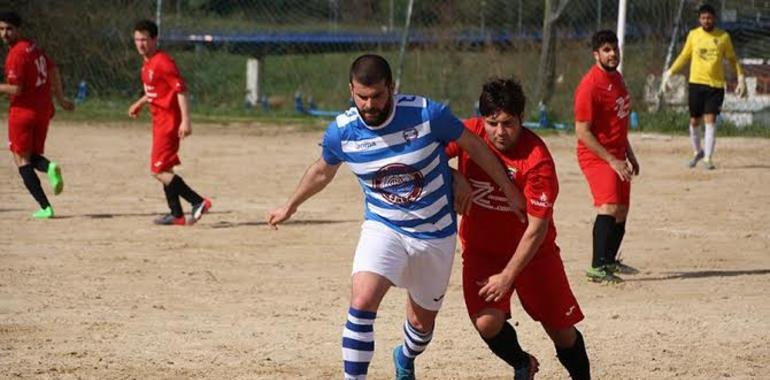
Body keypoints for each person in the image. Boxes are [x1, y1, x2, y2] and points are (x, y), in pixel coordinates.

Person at [266, 54, 525, 380]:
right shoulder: (342, 132)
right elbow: (322, 171)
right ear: (351, 90)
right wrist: (290, 206)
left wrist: (507, 187)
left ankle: (405, 356)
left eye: (377, 96)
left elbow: (473, 144)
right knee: (362, 301)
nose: (369, 105)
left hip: (434, 234)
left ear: (392, 87)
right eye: (362, 97)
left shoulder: (428, 114)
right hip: (384, 227)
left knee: (421, 325)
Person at [447, 78, 590, 380]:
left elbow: (537, 229)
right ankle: (522, 363)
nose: (500, 132)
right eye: (493, 122)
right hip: (482, 252)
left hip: (535, 255)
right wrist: (453, 176)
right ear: (482, 118)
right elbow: (422, 154)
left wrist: (508, 275)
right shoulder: (467, 132)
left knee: (562, 333)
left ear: (522, 119)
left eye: (509, 123)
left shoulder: (536, 160)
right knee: (486, 323)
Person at [128, 20, 211, 226]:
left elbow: (181, 90)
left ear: (155, 40)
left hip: (169, 123)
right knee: (166, 169)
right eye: (137, 39)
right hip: (159, 122)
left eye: (145, 39)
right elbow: (154, 92)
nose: (140, 44)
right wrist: (140, 103)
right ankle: (177, 214)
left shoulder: (163, 62)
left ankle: (198, 201)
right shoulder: (147, 65)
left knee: (158, 170)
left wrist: (186, 121)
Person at [574, 30, 640, 283]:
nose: (612, 54)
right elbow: (582, 131)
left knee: (622, 210)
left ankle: (610, 261)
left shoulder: (617, 78)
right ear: (596, 54)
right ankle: (597, 267)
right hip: (596, 156)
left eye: (615, 49)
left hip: (617, 153)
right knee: (609, 206)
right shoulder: (590, 85)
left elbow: (617, 124)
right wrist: (611, 160)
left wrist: (628, 153)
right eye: (606, 50)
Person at [1, 11, 74, 219]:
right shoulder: (33, 47)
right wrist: (60, 99)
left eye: (9, 29)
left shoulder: (15, 54)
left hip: (23, 112)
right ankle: (48, 167)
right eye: (1, 29)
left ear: (18, 29)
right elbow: (53, 70)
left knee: (21, 158)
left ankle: (45, 206)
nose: (5, 33)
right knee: (30, 155)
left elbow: (16, 90)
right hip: (43, 110)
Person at [660, 3, 746, 170]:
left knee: (711, 119)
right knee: (694, 121)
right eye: (703, 18)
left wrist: (741, 77)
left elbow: (733, 59)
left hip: (715, 85)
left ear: (714, 18)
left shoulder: (723, 37)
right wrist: (669, 72)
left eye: (709, 18)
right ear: (699, 19)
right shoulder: (693, 35)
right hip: (696, 83)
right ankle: (697, 152)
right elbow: (684, 56)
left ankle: (708, 158)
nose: (706, 21)